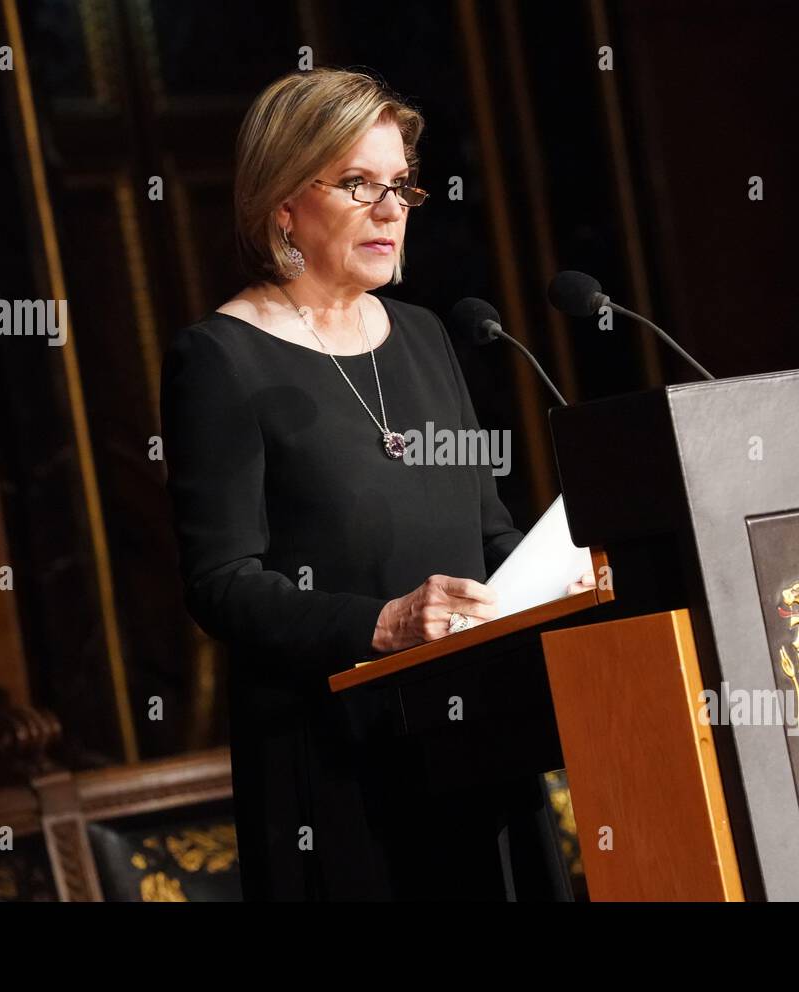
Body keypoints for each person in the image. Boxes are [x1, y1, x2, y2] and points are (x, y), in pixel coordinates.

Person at [160, 68, 591, 900]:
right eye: (358, 184)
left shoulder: (428, 336)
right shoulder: (220, 360)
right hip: (337, 768)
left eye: (399, 186)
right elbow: (221, 584)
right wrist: (382, 625)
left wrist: (555, 583)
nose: (391, 210)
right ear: (282, 203)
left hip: (477, 740)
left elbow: (486, 532)